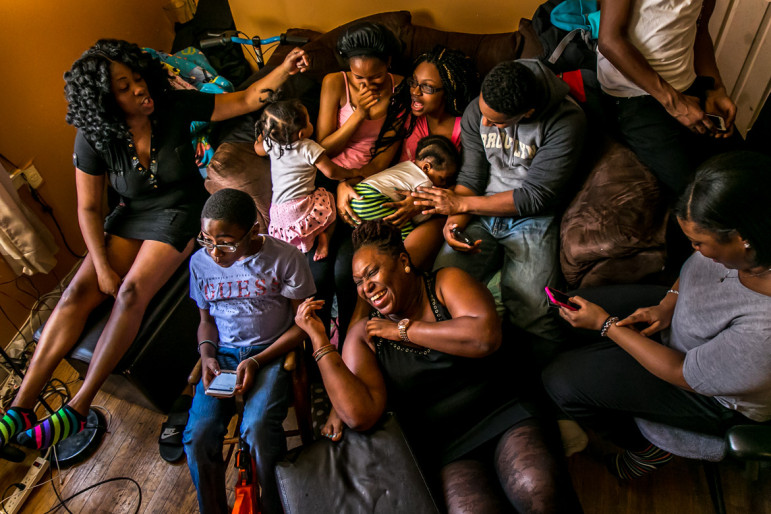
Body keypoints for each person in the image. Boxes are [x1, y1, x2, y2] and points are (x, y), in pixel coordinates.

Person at [2, 39, 308, 452]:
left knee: (131, 293)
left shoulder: (173, 106)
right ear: (106, 101)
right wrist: (102, 264)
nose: (139, 89)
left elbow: (247, 98)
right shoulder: (94, 138)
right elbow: (89, 209)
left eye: (136, 78)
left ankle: (77, 406)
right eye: (124, 88)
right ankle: (19, 409)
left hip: (181, 211)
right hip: (132, 214)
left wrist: (287, 65)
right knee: (76, 291)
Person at [295, 220, 582, 513]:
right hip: (445, 447)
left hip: (504, 411)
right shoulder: (364, 335)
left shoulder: (446, 283)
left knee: (535, 486)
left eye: (372, 273)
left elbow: (484, 337)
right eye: (358, 282)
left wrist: (403, 330)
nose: (366, 287)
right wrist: (320, 342)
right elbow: (360, 415)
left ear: (403, 261)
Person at [542, 152, 771, 479]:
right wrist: (668, 304)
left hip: (707, 390)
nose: (695, 250)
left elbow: (682, 371)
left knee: (560, 379)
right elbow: (694, 271)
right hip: (679, 321)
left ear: (740, 239)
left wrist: (607, 326)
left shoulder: (763, 334)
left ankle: (646, 448)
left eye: (698, 242)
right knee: (562, 312)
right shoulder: (753, 247)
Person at [413, 59, 586, 344]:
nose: (484, 123)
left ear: (526, 113)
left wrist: (462, 206)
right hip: (479, 209)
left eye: (495, 122)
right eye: (483, 113)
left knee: (534, 312)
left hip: (533, 218)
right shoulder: (478, 110)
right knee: (439, 289)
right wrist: (453, 226)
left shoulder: (566, 121)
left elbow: (534, 197)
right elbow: (472, 175)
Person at [183, 188, 315, 514]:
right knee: (197, 436)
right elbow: (205, 321)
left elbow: (302, 325)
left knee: (256, 430)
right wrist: (207, 355)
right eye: (206, 240)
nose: (215, 252)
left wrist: (257, 359)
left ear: (253, 231)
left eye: (226, 242)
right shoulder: (200, 263)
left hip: (270, 353)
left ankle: (273, 505)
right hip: (223, 356)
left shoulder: (285, 258)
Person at [337, 45, 479, 269]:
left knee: (400, 264)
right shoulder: (407, 117)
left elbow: (471, 184)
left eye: (427, 87)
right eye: (414, 82)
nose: (415, 91)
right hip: (395, 202)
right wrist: (347, 182)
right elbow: (380, 163)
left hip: (437, 212)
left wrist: (421, 202)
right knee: (346, 267)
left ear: (449, 91)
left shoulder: (464, 129)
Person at [597, 0, 739, 196]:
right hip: (635, 94)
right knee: (699, 196)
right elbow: (609, 40)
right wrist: (675, 103)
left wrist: (715, 88)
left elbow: (700, 28)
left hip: (687, 86)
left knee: (742, 171)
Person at [253, 93, 354, 261]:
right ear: (301, 134)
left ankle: (299, 246)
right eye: (308, 122)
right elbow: (331, 173)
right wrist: (352, 173)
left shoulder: (271, 144)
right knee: (329, 200)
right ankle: (324, 238)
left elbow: (257, 148)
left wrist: (264, 134)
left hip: (278, 213)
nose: (310, 123)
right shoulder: (308, 147)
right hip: (301, 206)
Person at [350, 135, 460, 240]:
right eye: (442, 178)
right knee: (406, 234)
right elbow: (419, 215)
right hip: (373, 198)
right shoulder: (425, 181)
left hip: (357, 195)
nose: (444, 184)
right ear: (426, 167)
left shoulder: (405, 166)